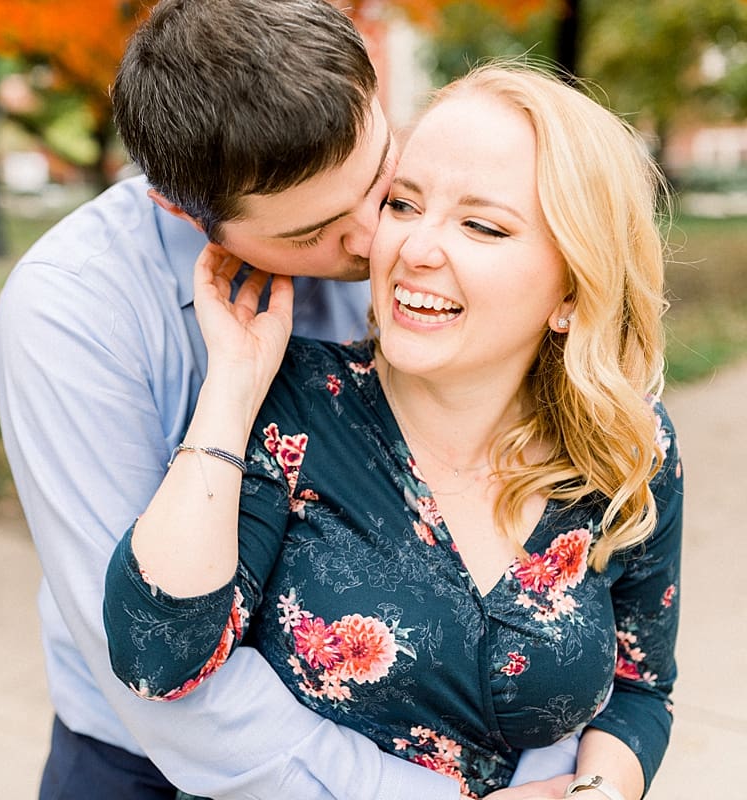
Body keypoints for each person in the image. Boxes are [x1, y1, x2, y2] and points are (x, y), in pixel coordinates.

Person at [0, 1, 572, 797]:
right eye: (313, 234)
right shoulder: (72, 312)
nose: (378, 242)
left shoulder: (422, 243)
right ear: (179, 206)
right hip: (148, 764)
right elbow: (160, 683)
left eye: (381, 182)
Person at [104, 62, 681, 800]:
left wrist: (594, 794)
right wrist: (231, 389)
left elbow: (640, 687)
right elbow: (157, 655)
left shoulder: (626, 449)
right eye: (404, 205)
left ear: (572, 290)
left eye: (481, 224)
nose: (414, 248)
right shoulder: (294, 407)